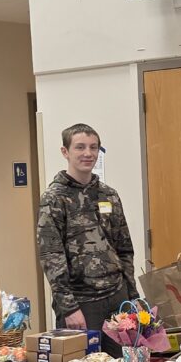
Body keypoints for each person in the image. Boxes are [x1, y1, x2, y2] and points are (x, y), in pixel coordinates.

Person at [37, 123, 138, 331]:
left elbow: (124, 248)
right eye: (80, 147)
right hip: (81, 304)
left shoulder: (108, 194)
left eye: (93, 147)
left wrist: (132, 296)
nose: (88, 153)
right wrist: (69, 308)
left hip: (117, 297)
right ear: (65, 152)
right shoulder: (54, 198)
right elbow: (51, 256)